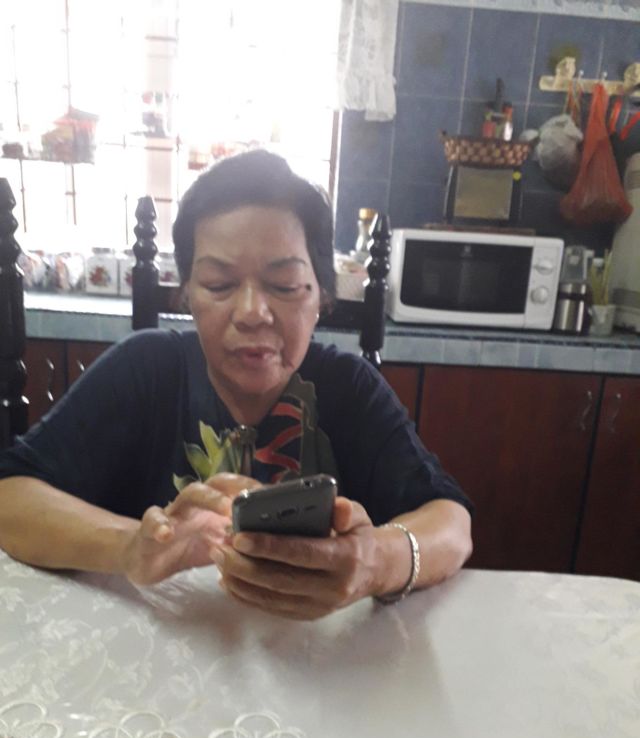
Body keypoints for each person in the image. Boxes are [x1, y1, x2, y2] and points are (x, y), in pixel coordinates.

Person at [0, 150, 472, 619]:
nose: (251, 313)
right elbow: (10, 495)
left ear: (321, 298)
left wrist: (377, 562)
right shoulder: (146, 370)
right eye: (218, 284)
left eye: (284, 285)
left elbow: (452, 523)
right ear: (187, 295)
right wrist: (130, 547)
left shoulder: (349, 388)